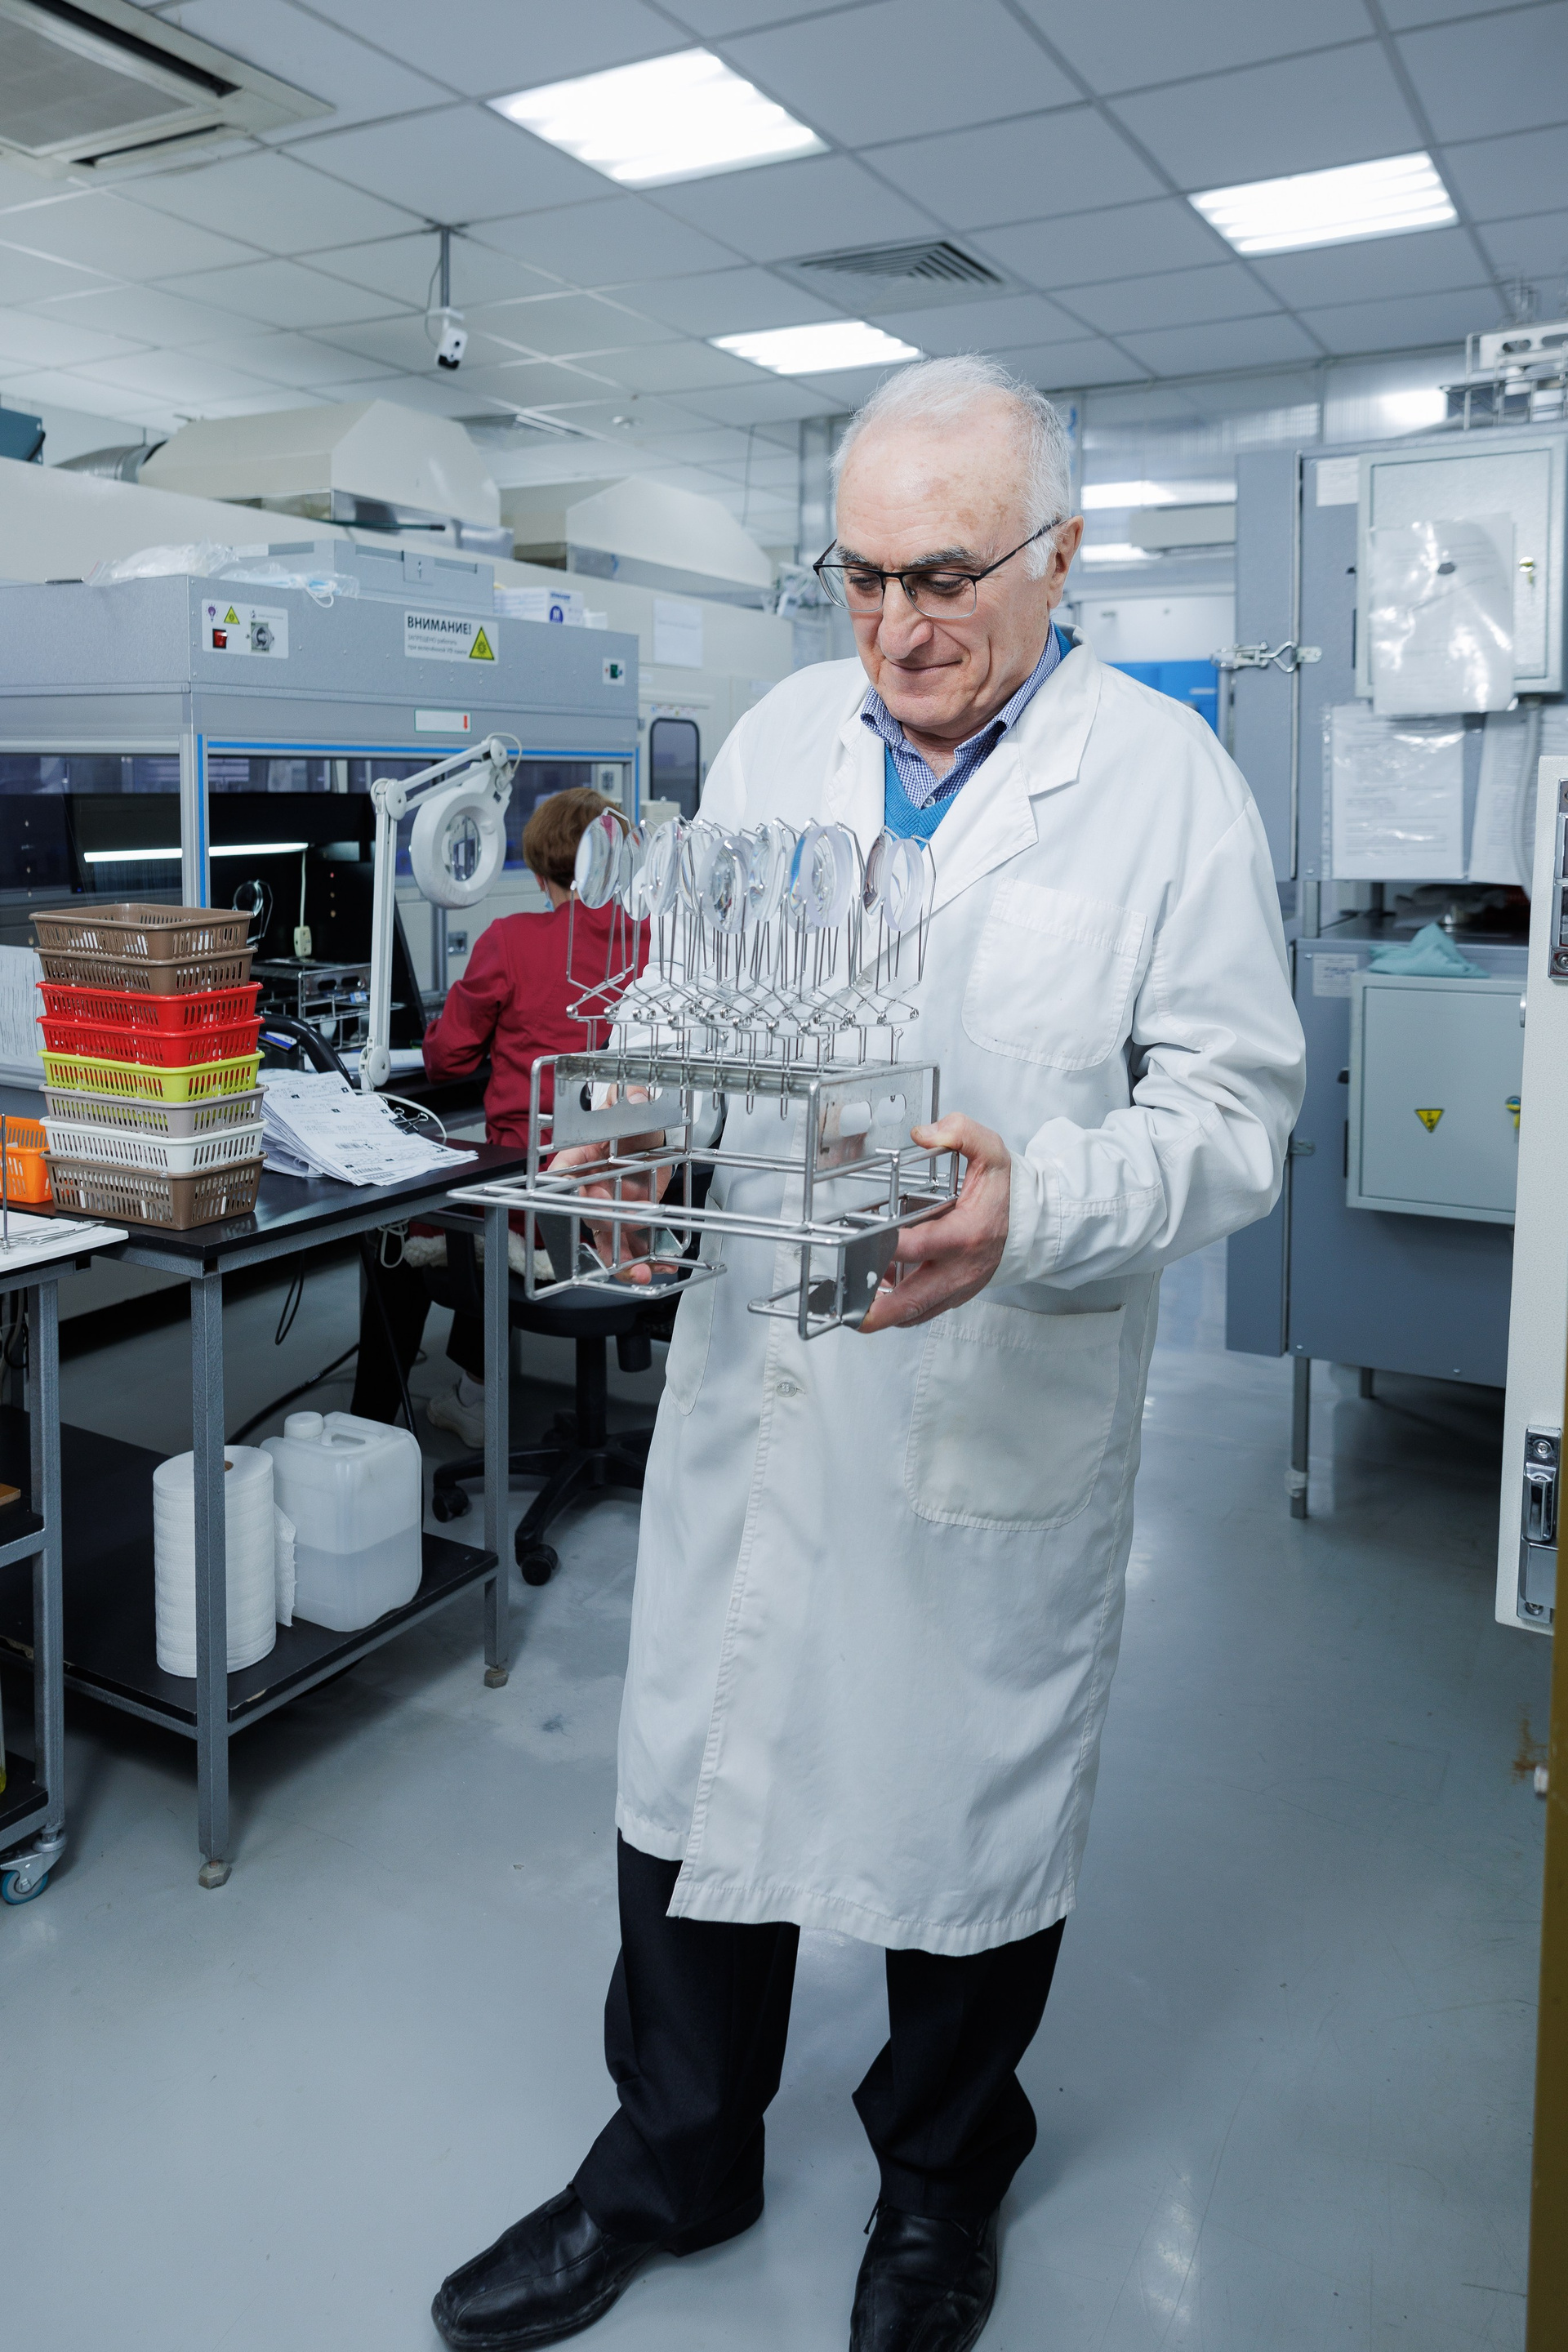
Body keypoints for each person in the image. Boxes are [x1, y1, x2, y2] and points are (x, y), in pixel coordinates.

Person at [431, 357, 1307, 2352]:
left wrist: (1037, 1202)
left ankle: (937, 2184)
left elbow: (1235, 1115)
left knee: (963, 1814)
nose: (896, 627)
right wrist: (645, 1141)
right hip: (763, 1378)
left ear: (1059, 557)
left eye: (944, 577)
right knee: (697, 1770)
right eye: (857, 577)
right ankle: (674, 2156)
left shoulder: (1162, 787)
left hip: (991, 1387)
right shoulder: (775, 743)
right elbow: (692, 1011)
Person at [350, 786, 634, 1441]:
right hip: (624, 1196)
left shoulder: (512, 940)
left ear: (537, 872)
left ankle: (368, 1429)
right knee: (476, 1193)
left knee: (400, 1222)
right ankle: (473, 1387)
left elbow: (446, 1059)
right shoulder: (649, 941)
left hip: (536, 1204)